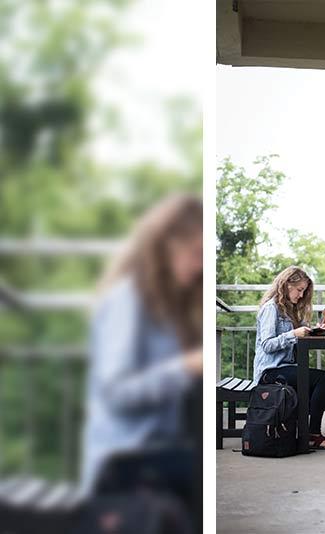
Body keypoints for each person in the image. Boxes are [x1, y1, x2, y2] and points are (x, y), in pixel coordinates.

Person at [81, 194, 203, 524]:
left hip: (160, 451)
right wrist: (185, 368)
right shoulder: (128, 300)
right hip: (124, 461)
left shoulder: (172, 307)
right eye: (196, 254)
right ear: (166, 247)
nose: (200, 267)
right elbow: (116, 392)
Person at [253, 266, 325, 450]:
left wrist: (314, 330)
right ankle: (312, 434)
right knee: (323, 379)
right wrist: (294, 334)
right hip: (270, 372)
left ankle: (299, 429)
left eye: (304, 291)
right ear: (286, 285)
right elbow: (267, 345)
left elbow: (298, 334)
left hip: (284, 368)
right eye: (299, 289)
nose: (301, 295)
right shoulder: (272, 308)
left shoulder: (289, 310)